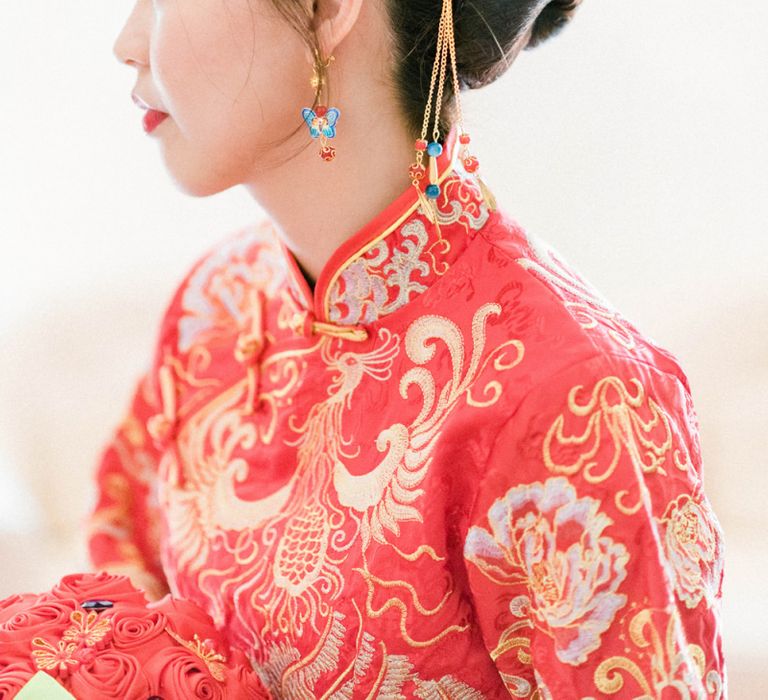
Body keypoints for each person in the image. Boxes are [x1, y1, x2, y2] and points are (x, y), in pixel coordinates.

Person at [86, 0, 728, 697]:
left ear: (329, 9)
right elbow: (123, 597)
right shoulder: (217, 304)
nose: (128, 42)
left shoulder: (576, 398)